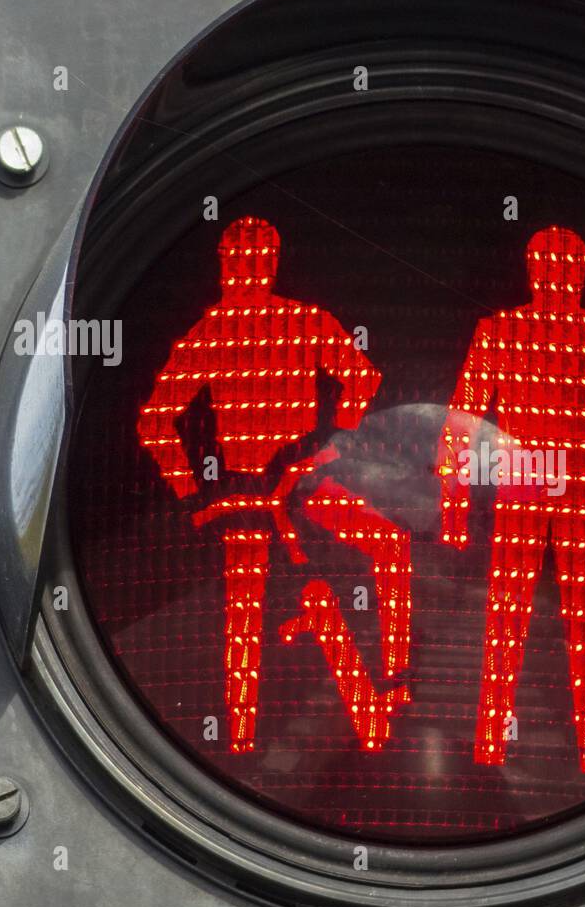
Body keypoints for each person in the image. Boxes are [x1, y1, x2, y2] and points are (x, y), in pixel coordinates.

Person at [138, 216, 411, 754]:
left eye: (253, 260)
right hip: (247, 493)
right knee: (246, 614)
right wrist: (194, 494)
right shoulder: (212, 330)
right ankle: (240, 740)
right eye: (237, 260)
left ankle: (393, 680)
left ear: (268, 265)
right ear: (225, 265)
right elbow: (154, 419)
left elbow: (362, 376)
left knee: (389, 545)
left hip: (302, 481)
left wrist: (328, 448)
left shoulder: (298, 321)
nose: (244, 271)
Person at [436, 226, 585, 774]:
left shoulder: (505, 331)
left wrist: (455, 513)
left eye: (563, 268)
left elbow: (460, 428)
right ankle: (584, 753)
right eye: (554, 268)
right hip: (560, 493)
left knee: (520, 621)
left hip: (534, 490)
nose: (558, 278)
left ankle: (499, 747)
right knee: (574, 627)